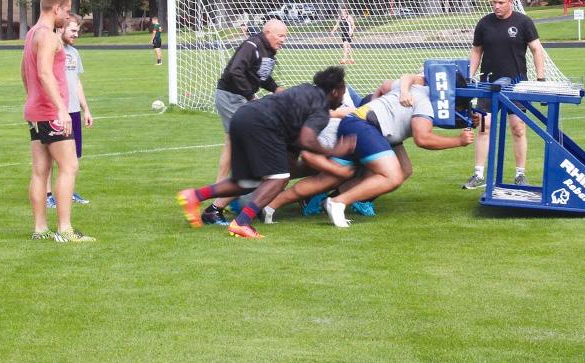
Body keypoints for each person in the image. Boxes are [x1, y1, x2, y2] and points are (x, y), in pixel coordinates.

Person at [267, 73, 474, 227]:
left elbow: (384, 86)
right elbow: (423, 138)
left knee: (336, 177)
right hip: (367, 127)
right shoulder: (426, 102)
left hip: (366, 124)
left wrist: (380, 104)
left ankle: (272, 204)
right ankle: (337, 202)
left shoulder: (418, 90)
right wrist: (459, 141)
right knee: (392, 176)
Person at [177, 66, 357, 239]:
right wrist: (334, 150)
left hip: (242, 117)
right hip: (262, 125)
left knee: (247, 182)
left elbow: (293, 135)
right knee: (278, 178)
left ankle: (194, 196)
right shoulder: (321, 110)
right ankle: (242, 223)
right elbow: (306, 139)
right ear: (334, 91)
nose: (342, 98)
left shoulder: (305, 89)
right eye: (342, 92)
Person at [198, 18, 288, 226]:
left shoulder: (269, 52)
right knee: (244, 142)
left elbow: (262, 77)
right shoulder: (252, 45)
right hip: (231, 96)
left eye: (285, 36)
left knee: (231, 142)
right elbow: (234, 71)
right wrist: (250, 96)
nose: (283, 40)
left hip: (240, 97)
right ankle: (227, 194)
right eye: (281, 35)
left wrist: (277, 89)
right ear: (267, 32)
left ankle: (222, 188)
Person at [22, 0, 95, 242]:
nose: (68, 16)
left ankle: (40, 229)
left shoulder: (32, 34)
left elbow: (24, 73)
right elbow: (43, 73)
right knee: (69, 165)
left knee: (40, 171)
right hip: (51, 112)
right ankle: (65, 230)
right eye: (66, 11)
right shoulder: (49, 37)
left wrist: (33, 100)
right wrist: (62, 109)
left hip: (36, 111)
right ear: (56, 8)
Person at [463, 0, 545, 189]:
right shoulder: (484, 23)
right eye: (494, 2)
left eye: (500, 2)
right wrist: (467, 77)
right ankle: (479, 175)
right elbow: (476, 52)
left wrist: (540, 78)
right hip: (488, 84)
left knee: (518, 128)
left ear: (511, 2)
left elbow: (536, 49)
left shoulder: (523, 22)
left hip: (516, 85)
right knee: (485, 127)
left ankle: (520, 175)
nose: (496, 6)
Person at [46, 17, 93, 209]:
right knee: (50, 155)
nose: (76, 34)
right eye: (73, 31)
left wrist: (86, 109)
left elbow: (77, 83)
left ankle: (67, 192)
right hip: (56, 112)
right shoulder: (51, 50)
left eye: (77, 31)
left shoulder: (74, 53)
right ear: (61, 29)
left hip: (73, 111)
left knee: (72, 158)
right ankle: (49, 195)